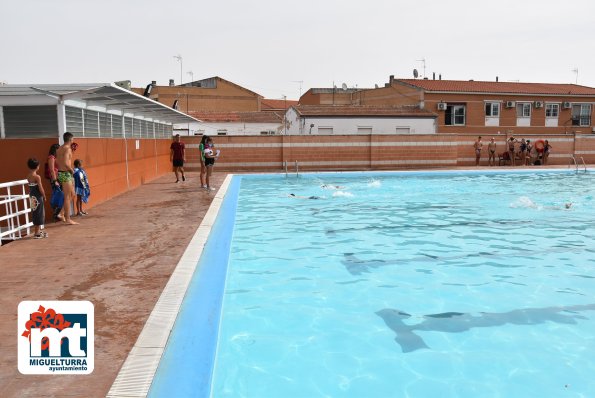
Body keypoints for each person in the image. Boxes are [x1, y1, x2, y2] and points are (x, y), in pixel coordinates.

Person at [56, 132, 78, 225]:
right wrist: (71, 170)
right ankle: (68, 218)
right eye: (73, 139)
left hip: (62, 173)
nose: (73, 141)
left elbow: (57, 161)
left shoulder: (59, 148)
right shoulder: (67, 149)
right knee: (67, 196)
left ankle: (61, 213)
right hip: (66, 173)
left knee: (72, 194)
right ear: (70, 140)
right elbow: (65, 163)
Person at [26, 158, 48, 239]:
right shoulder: (37, 177)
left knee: (35, 213)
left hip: (32, 197)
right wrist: (44, 196)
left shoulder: (28, 176)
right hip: (38, 197)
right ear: (37, 166)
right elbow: (41, 188)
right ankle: (37, 233)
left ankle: (37, 231)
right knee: (39, 213)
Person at [45, 143, 64, 222]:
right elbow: (52, 170)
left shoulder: (55, 157)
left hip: (58, 178)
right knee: (58, 195)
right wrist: (55, 181)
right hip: (54, 179)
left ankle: (57, 214)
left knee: (60, 196)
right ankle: (56, 215)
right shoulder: (51, 157)